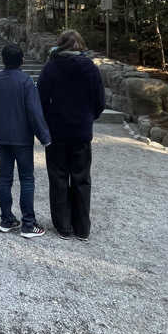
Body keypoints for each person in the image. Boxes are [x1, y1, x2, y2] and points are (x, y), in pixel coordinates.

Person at [37, 29, 105, 242]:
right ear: (81, 45)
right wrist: (88, 117)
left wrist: (47, 120)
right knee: (82, 178)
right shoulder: (90, 68)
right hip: (82, 131)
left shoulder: (51, 67)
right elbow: (99, 101)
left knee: (58, 176)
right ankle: (82, 227)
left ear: (60, 45)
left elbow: (40, 98)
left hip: (57, 131)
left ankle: (63, 225)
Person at [0, 43, 51, 238]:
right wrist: (44, 136)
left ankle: (6, 220)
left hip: (1, 136)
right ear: (22, 60)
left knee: (4, 178)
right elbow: (34, 111)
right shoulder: (26, 81)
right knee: (27, 179)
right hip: (22, 137)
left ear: (3, 60)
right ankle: (28, 224)